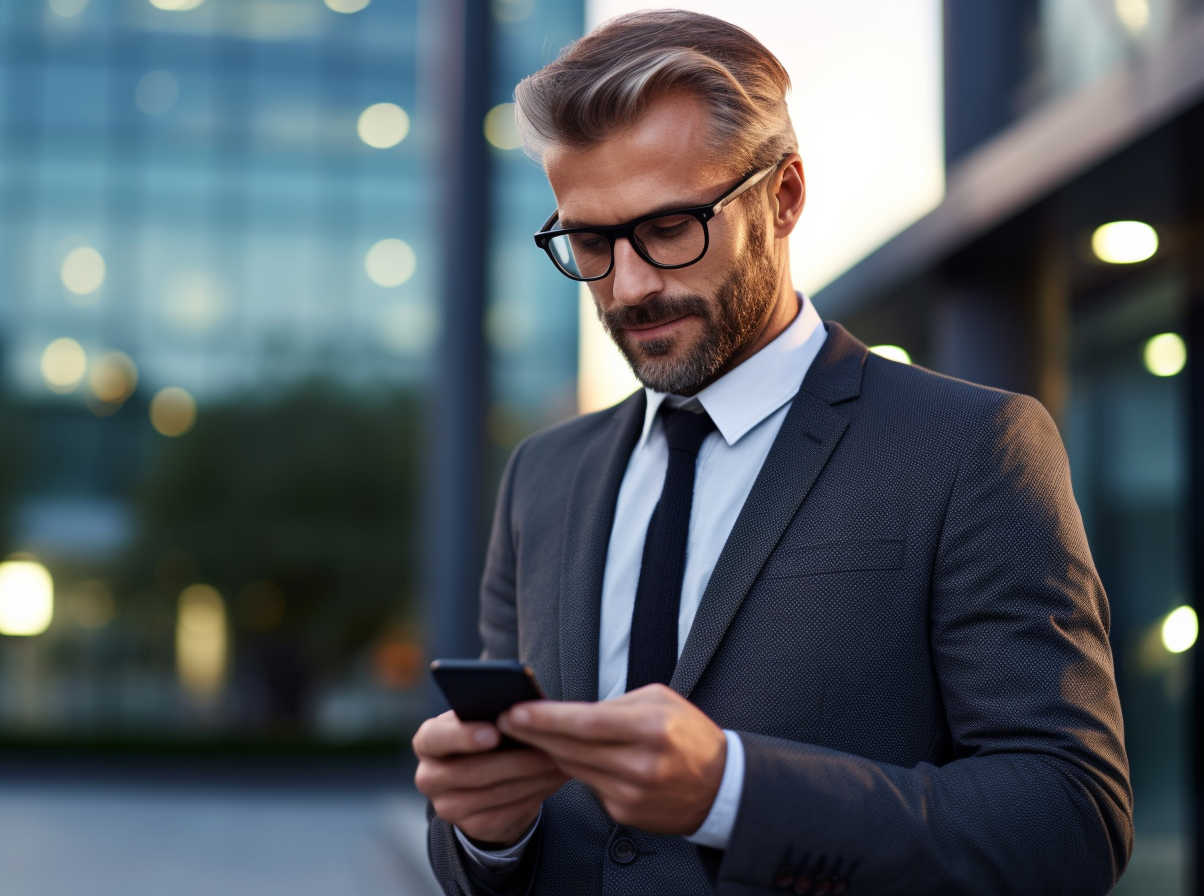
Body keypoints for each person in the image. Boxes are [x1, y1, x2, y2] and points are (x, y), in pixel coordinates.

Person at [412, 10, 1133, 896]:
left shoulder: (971, 448)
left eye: (671, 226)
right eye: (591, 243)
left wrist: (733, 793)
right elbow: (483, 854)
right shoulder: (541, 478)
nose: (629, 286)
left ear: (784, 196)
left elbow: (1071, 819)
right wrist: (487, 831)